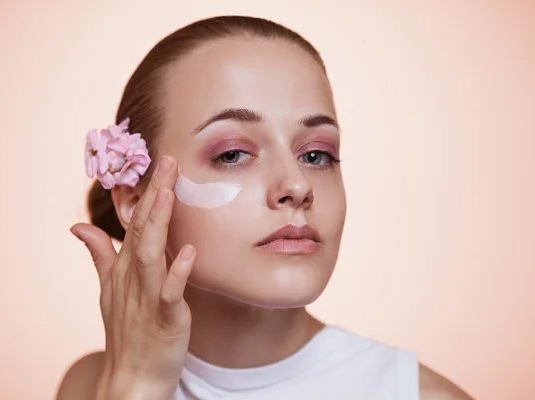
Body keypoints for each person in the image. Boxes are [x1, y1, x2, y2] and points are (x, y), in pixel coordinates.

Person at [56, 15, 475, 400]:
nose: (297, 185)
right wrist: (137, 389)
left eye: (316, 155)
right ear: (133, 200)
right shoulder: (91, 386)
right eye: (234, 154)